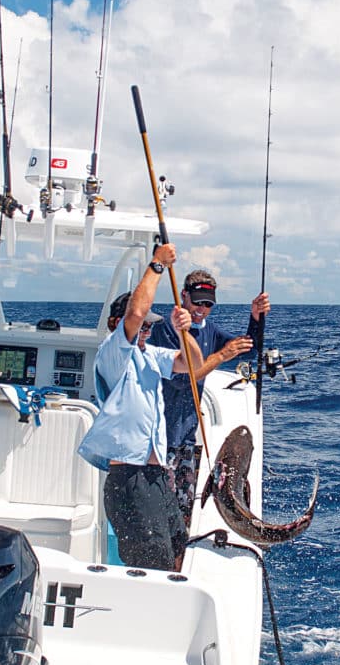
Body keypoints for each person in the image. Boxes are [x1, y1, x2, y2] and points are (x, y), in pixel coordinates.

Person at [77, 242, 203, 571]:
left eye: (150, 326)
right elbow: (135, 313)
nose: (146, 329)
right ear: (116, 324)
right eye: (142, 326)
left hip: (157, 477)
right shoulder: (114, 352)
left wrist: (183, 332)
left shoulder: (149, 357)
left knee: (178, 548)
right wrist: (157, 265)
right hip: (129, 481)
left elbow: (193, 364)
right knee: (152, 566)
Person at [147, 269, 270, 524]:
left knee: (182, 515)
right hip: (158, 443)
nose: (201, 310)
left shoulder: (209, 330)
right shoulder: (166, 330)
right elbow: (182, 379)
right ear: (183, 296)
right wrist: (222, 355)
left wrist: (256, 318)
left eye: (208, 305)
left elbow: (250, 351)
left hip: (186, 441)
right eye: (196, 302)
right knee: (159, 515)